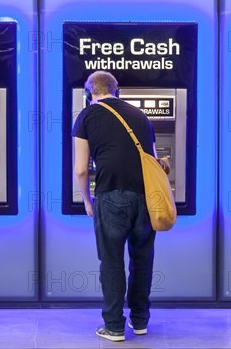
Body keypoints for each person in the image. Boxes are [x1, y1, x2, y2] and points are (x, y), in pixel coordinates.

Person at [72, 71, 160, 342]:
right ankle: (141, 320)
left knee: (111, 262)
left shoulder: (86, 116)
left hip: (110, 195)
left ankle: (114, 326)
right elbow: (154, 160)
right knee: (142, 259)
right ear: (117, 90)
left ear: (89, 94)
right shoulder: (140, 116)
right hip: (145, 197)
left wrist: (87, 199)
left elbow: (81, 169)